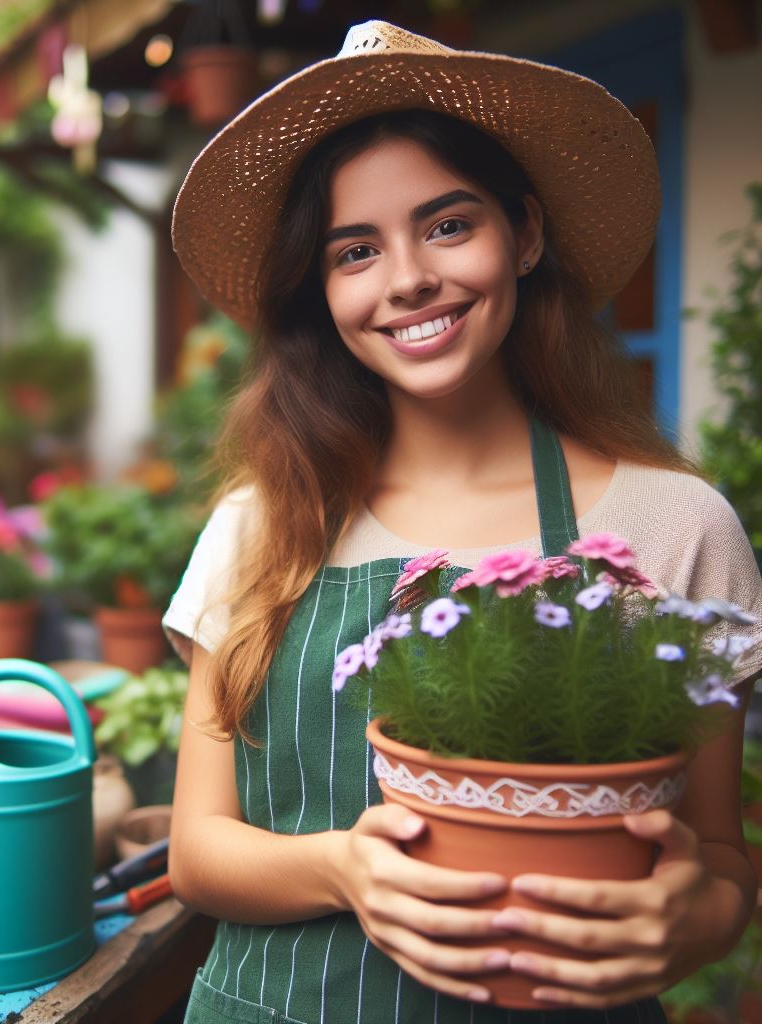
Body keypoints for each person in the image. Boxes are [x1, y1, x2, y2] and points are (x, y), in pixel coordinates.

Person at [163, 20, 762, 1024]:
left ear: (522, 235)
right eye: (356, 250)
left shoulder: (672, 524)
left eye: (447, 225)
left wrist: (693, 913)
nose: (407, 280)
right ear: (323, 287)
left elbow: (721, 863)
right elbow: (197, 850)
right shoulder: (261, 524)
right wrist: (343, 867)